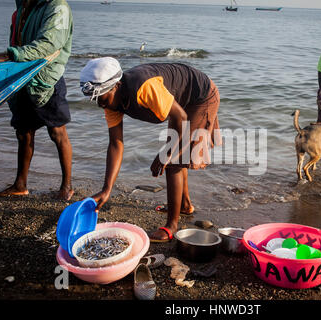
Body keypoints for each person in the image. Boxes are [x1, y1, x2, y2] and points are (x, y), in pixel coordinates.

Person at [79, 58, 221, 242]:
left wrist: (167, 153)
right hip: (179, 102)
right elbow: (116, 143)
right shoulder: (110, 101)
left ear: (117, 86)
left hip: (201, 96)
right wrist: (107, 189)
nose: (100, 104)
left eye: (102, 97)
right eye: (95, 99)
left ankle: (171, 226)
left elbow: (182, 118)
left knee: (174, 161)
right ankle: (184, 205)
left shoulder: (143, 87)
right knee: (176, 155)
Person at [0, 0, 74, 200]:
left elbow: (48, 44)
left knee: (57, 132)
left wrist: (10, 56)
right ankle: (20, 184)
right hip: (21, 77)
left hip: (47, 78)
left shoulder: (57, 7)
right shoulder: (23, 6)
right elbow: (15, 39)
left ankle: (66, 187)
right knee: (23, 132)